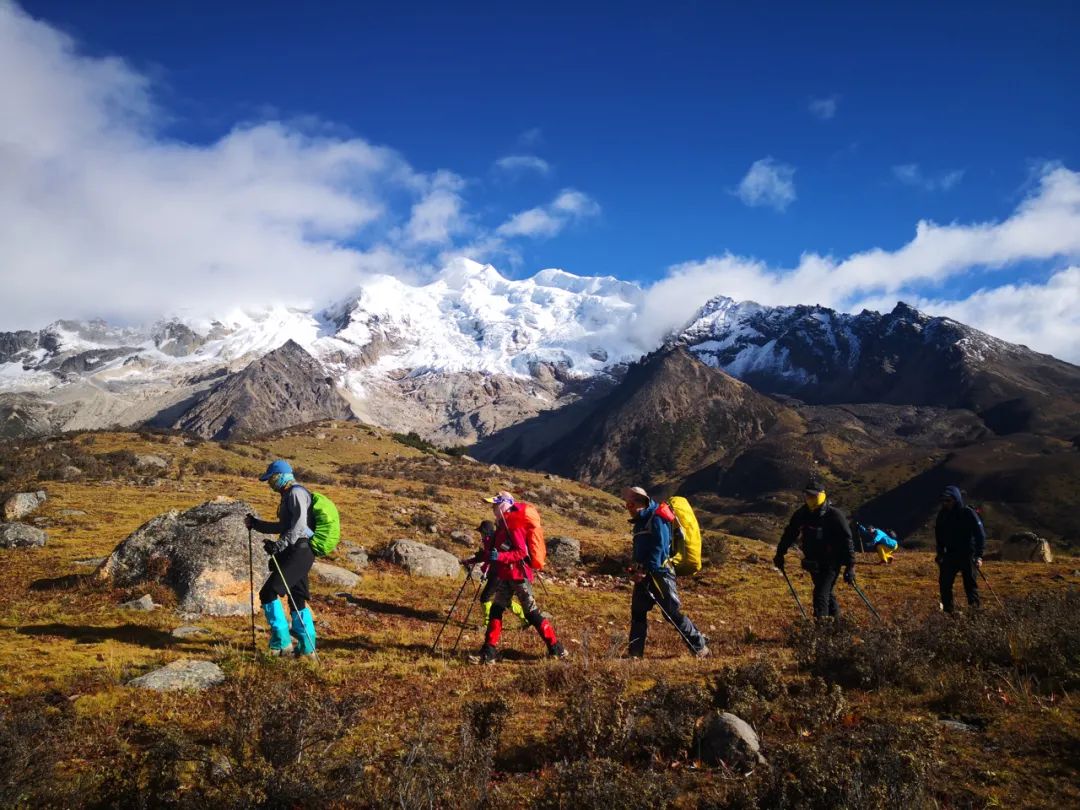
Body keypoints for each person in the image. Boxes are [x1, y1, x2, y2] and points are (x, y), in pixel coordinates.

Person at [466, 493, 567, 663]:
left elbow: (521, 552)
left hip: (519, 576)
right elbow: (491, 552)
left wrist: (499, 557)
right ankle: (488, 653)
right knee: (496, 610)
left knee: (532, 614)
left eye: (495, 505)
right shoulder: (501, 525)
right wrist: (472, 560)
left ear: (504, 505)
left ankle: (556, 648)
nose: (493, 509)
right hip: (506, 575)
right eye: (492, 505)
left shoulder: (513, 525)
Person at [623, 486, 709, 658]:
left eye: (629, 505)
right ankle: (635, 654)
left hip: (660, 573)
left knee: (671, 613)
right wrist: (635, 567)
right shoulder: (640, 521)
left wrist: (645, 570)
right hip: (644, 574)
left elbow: (660, 548)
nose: (628, 509)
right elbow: (641, 549)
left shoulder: (658, 517)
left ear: (637, 503)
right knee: (638, 613)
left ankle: (699, 646)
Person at [244, 459, 317, 656]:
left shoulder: (296, 493)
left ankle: (282, 644)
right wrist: (257, 524)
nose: (269, 483)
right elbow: (283, 527)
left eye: (271, 479)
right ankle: (308, 650)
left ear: (281, 476)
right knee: (297, 598)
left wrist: (278, 546)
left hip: (299, 551)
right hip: (298, 551)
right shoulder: (288, 495)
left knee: (268, 592)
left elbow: (299, 527)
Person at [774, 477, 856, 619]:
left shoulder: (834, 515)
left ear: (822, 495)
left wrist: (850, 566)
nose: (810, 498)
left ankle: (821, 630)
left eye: (814, 495)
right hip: (812, 561)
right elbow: (790, 533)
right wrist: (780, 554)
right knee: (826, 592)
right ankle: (836, 624)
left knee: (820, 594)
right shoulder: (802, 514)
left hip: (831, 562)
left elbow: (846, 539)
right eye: (808, 495)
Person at [463, 520, 530, 630]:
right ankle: (525, 619)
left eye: (481, 532)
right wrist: (471, 560)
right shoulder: (492, 539)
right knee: (505, 600)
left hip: (497, 574)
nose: (481, 534)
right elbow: (486, 556)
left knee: (485, 597)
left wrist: (472, 560)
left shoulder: (490, 540)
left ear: (486, 532)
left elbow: (487, 556)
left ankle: (488, 624)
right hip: (501, 573)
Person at [935, 485, 985, 613]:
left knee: (970, 585)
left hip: (968, 554)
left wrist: (979, 556)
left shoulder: (968, 513)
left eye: (948, 500)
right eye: (944, 500)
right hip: (950, 554)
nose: (945, 503)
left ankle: (975, 614)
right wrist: (940, 553)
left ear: (956, 499)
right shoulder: (943, 514)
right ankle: (949, 612)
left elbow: (980, 535)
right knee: (944, 583)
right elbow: (939, 535)